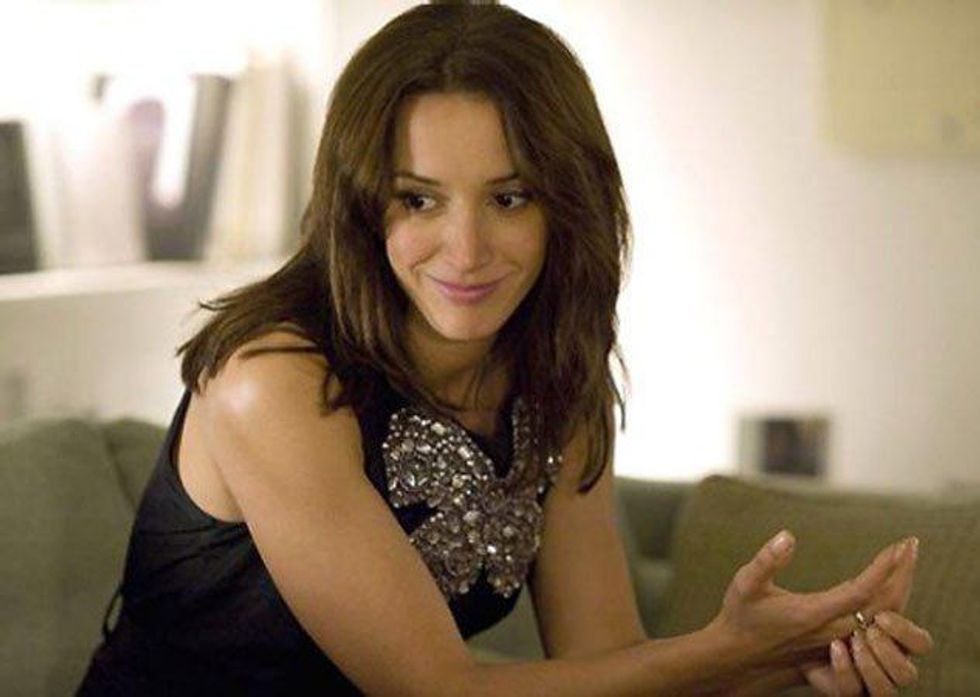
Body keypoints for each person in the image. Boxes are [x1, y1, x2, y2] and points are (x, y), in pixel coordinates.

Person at [77, 3, 933, 695]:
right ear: (361, 204)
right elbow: (435, 688)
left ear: (569, 203)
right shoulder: (272, 383)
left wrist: (793, 660)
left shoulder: (559, 381)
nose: (466, 250)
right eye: (419, 200)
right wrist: (724, 650)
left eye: (510, 197)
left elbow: (607, 666)